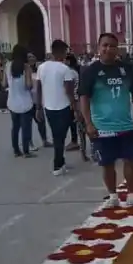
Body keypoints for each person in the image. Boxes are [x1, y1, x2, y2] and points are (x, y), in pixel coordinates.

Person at [79, 32, 133, 207]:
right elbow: (84, 98)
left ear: (118, 49)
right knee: (107, 163)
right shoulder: (90, 72)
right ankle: (113, 196)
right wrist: (88, 123)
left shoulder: (127, 69)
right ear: (98, 47)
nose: (108, 49)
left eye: (112, 46)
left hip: (126, 125)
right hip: (102, 127)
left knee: (130, 160)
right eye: (105, 45)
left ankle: (132, 194)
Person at [35, 40, 78, 176]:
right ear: (60, 52)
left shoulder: (42, 67)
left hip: (49, 107)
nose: (66, 55)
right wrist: (75, 108)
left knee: (56, 135)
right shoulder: (65, 69)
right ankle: (57, 164)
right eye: (65, 52)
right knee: (60, 137)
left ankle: (61, 162)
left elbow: (39, 88)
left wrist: (38, 107)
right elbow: (69, 91)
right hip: (63, 107)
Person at [6, 44, 36, 158]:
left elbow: (4, 83)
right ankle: (26, 151)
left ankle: (16, 150)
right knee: (26, 127)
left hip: (12, 101)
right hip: (25, 101)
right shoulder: (26, 67)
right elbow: (28, 85)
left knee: (15, 126)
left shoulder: (7, 65)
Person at [29, 53, 51, 149]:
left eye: (33, 56)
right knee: (28, 123)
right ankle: (30, 143)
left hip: (38, 99)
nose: (32, 58)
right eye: (29, 57)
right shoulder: (25, 70)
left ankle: (44, 140)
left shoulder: (39, 69)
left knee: (41, 121)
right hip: (28, 100)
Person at [64, 53, 85, 155]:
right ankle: (78, 143)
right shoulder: (75, 71)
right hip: (77, 100)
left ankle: (76, 143)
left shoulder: (70, 72)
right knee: (76, 123)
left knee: (75, 123)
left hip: (75, 101)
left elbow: (69, 89)